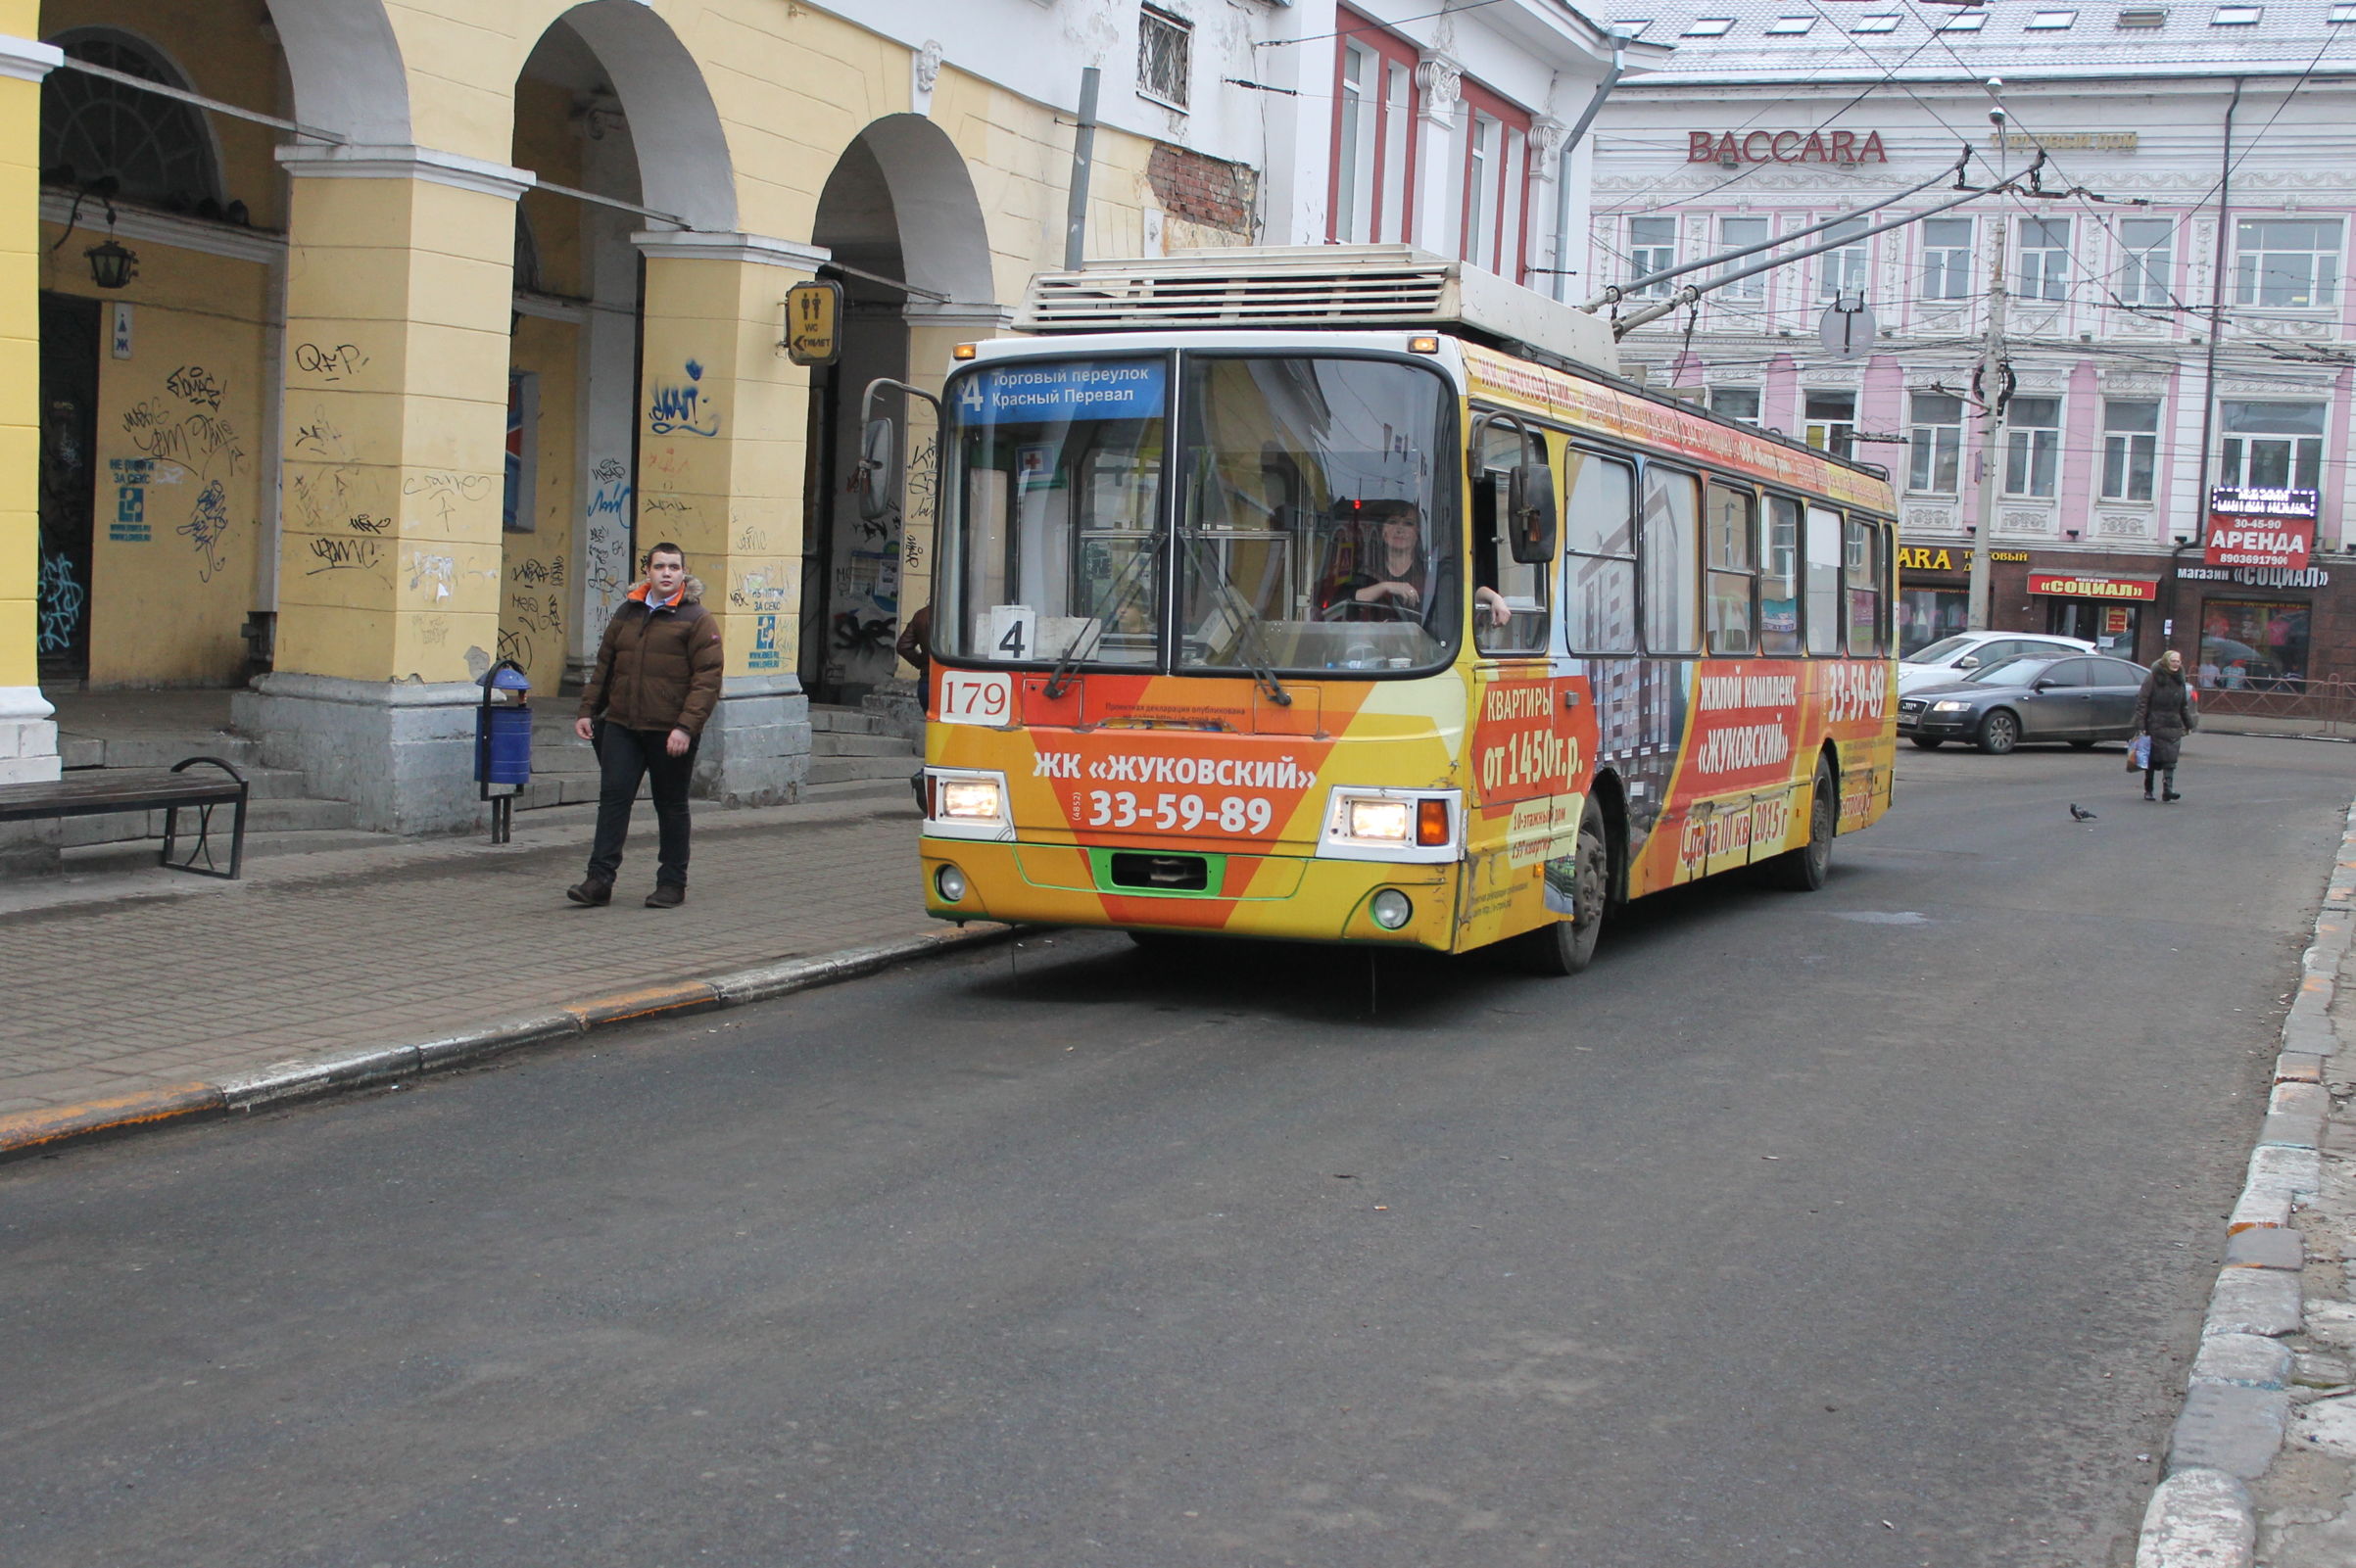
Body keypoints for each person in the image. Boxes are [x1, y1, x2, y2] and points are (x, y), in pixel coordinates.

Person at [568, 542, 723, 908]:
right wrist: (588, 710)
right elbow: (605, 666)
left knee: (670, 805)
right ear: (648, 572)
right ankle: (599, 880)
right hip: (622, 724)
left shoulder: (697, 619)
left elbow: (707, 678)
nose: (666, 573)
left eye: (673, 567)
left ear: (684, 573)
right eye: (659, 566)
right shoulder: (627, 612)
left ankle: (672, 884)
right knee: (613, 800)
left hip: (670, 732)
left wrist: (685, 727)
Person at [1316, 502, 1510, 630]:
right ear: (1383, 532)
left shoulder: (1432, 573)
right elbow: (1343, 600)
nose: (1399, 529)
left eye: (1407, 523)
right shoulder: (1366, 570)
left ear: (1417, 533)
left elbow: (1467, 592)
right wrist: (1386, 586)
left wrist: (1495, 598)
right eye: (1393, 522)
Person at [2133, 647, 2196, 804]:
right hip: (2155, 722)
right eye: (2173, 661)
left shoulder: (2179, 679)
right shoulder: (2153, 677)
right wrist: (2141, 723)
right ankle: (2149, 789)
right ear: (2166, 661)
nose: (2176, 664)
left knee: (2171, 758)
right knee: (2153, 758)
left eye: (2178, 661)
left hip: (2173, 723)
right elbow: (2143, 701)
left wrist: (2188, 723)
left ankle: (2168, 790)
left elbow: (2183, 705)